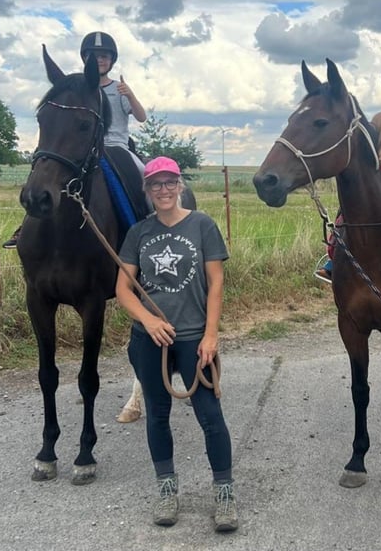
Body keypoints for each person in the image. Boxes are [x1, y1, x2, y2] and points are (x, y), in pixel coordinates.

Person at [115, 156, 237, 532]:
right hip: (150, 340)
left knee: (210, 417)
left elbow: (216, 283)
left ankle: (225, 494)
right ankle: (167, 490)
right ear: (148, 190)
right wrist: (148, 320)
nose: (164, 190)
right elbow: (123, 289)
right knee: (157, 414)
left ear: (180, 185)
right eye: (156, 184)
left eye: (170, 182)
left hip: (194, 339)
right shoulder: (138, 233)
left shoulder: (203, 225)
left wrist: (211, 334)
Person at [2, 31, 147, 248]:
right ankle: (27, 224)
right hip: (85, 146)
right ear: (85, 58)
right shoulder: (77, 89)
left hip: (116, 146)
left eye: (104, 56)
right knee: (49, 175)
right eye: (93, 56)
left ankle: (149, 226)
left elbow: (141, 117)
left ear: (112, 60)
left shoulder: (119, 89)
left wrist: (130, 95)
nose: (99, 60)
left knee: (144, 176)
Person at [315, 63, 381, 282]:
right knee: (346, 213)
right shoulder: (379, 119)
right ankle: (334, 259)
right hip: (379, 173)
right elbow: (368, 148)